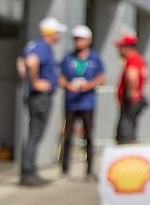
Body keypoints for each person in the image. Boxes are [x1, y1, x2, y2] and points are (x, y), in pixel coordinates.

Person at [19, 16, 66, 187]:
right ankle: (28, 172)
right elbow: (31, 63)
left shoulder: (35, 46)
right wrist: (35, 82)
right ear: (50, 33)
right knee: (35, 134)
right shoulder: (41, 46)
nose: (59, 36)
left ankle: (29, 170)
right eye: (57, 32)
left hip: (38, 96)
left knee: (34, 134)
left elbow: (22, 63)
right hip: (40, 97)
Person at [58, 24, 105, 180]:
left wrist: (88, 85)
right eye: (76, 39)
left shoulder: (95, 58)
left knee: (89, 136)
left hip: (87, 103)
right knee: (68, 136)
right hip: (71, 103)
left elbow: (101, 78)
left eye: (81, 39)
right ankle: (64, 169)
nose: (78, 42)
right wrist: (68, 85)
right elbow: (61, 78)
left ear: (89, 40)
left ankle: (90, 169)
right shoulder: (68, 57)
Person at [114, 33, 148, 145]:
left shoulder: (133, 61)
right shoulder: (139, 60)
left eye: (120, 47)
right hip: (134, 100)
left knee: (125, 134)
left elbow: (132, 77)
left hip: (131, 101)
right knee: (130, 130)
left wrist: (131, 93)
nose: (118, 50)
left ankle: (127, 156)